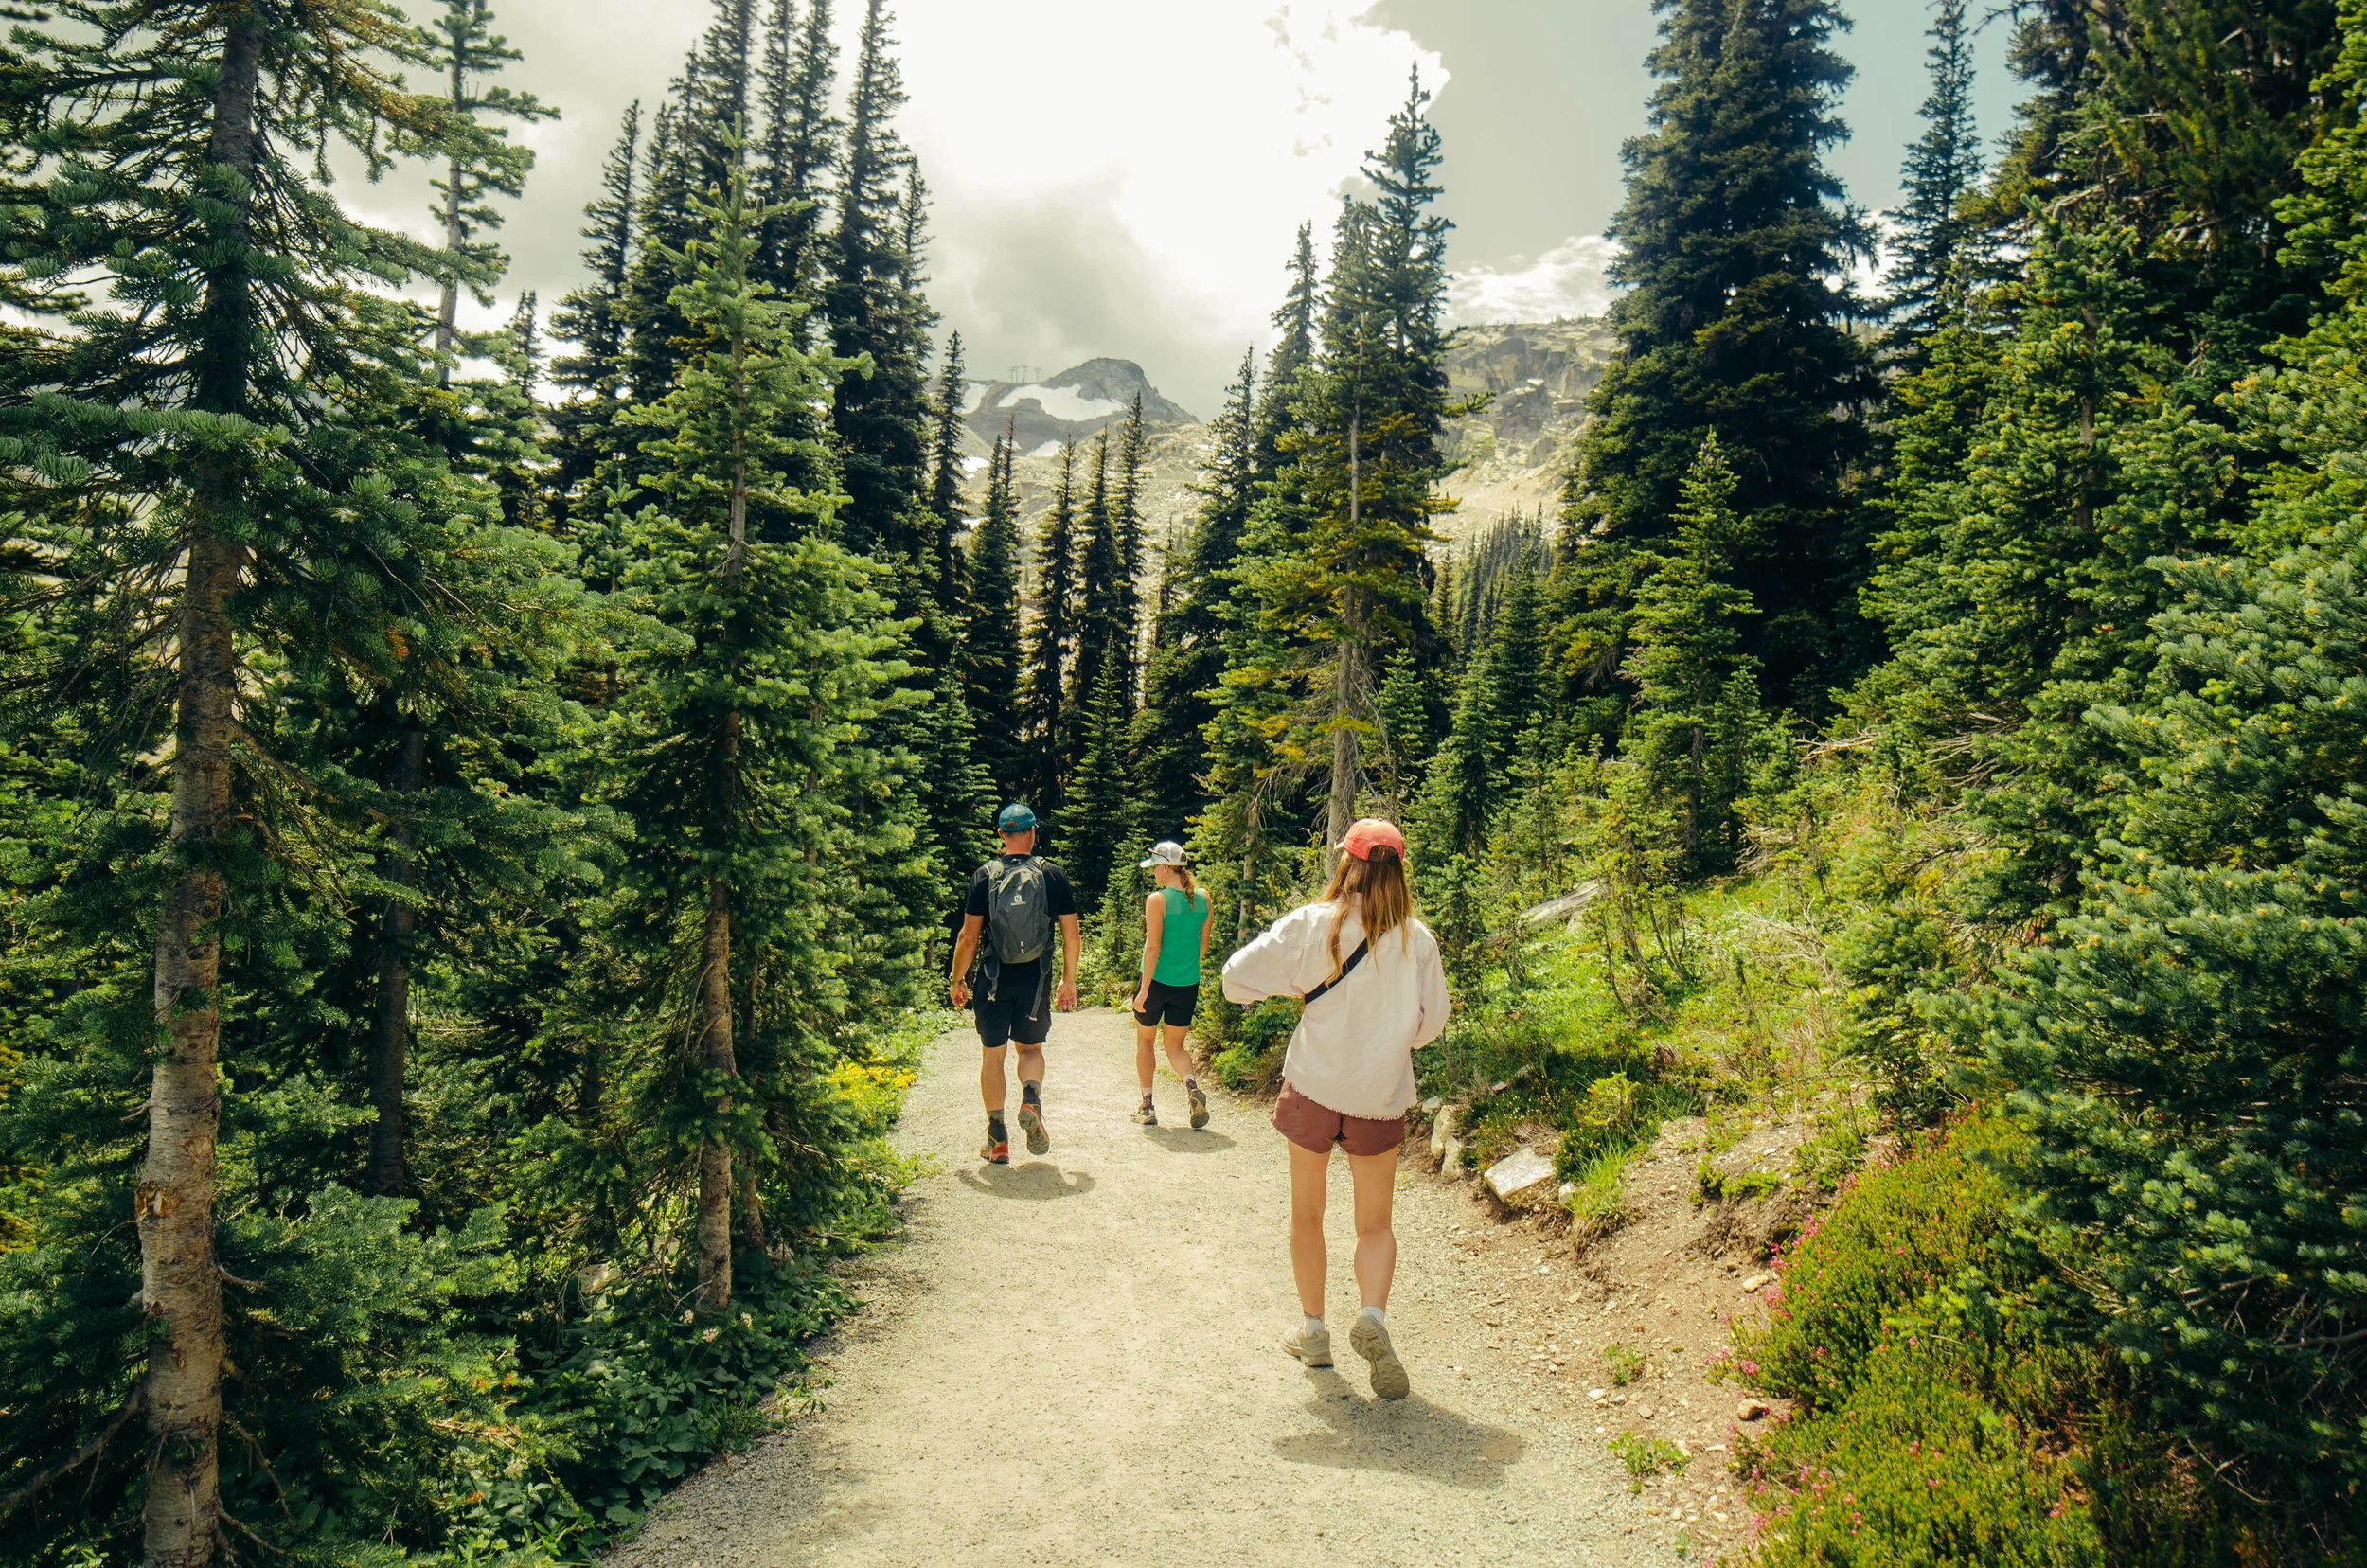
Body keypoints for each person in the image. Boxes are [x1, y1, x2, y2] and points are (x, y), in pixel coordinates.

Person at [1221, 818, 1448, 1401]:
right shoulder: (1417, 941)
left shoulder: (1311, 925)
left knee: (1307, 1214)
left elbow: (1233, 980)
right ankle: (1371, 1317)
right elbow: (1431, 1025)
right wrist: (1393, 1037)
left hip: (1315, 1087)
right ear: (1399, 874)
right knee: (1374, 1224)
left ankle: (1314, 1331)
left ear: (1345, 864)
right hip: (1379, 1094)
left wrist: (1294, 988)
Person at [949, 804, 1081, 1165]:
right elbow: (1072, 934)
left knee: (993, 1056)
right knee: (1030, 1049)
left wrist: (958, 978)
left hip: (993, 979)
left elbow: (968, 938)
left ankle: (998, 1139)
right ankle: (1031, 1100)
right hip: (1035, 979)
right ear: (1033, 833)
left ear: (1000, 836)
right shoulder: (1051, 875)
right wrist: (1068, 981)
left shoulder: (984, 876)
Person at [1129, 840, 1213, 1130]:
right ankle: (1191, 1086)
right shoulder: (1203, 897)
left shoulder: (1157, 900)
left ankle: (1147, 1105)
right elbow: (1203, 948)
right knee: (1175, 1047)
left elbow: (1152, 948)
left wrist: (1143, 991)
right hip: (1187, 985)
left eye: (1155, 868)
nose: (1154, 873)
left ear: (1166, 868)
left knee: (1146, 1041)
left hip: (1156, 983)